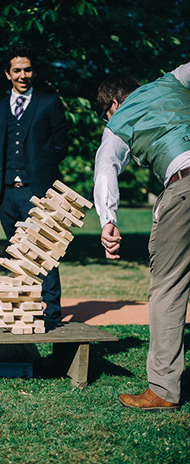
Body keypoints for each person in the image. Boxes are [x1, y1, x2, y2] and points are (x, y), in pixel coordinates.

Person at [93, 62, 190, 411]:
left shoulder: (118, 122)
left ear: (113, 104)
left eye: (105, 113)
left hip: (184, 186)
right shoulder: (175, 79)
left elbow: (106, 167)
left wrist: (108, 219)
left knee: (168, 287)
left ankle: (163, 389)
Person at [0, 43, 68, 324]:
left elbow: (61, 146)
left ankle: (52, 311)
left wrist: (40, 170)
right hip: (6, 193)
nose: (23, 75)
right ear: (7, 74)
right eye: (17, 70)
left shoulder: (49, 102)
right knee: (19, 255)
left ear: (34, 71)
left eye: (28, 69)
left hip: (38, 190)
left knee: (43, 252)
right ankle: (27, 310)